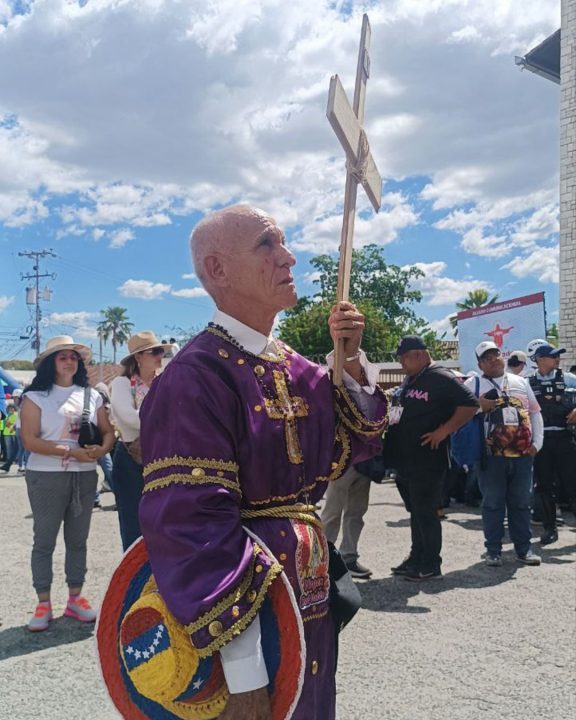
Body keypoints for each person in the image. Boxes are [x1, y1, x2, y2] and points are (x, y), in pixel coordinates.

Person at [138, 204, 388, 720]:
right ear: (218, 270)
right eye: (267, 244)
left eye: (285, 243)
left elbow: (352, 447)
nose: (289, 257)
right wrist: (244, 673)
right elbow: (193, 528)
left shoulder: (299, 369)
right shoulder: (195, 374)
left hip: (307, 589)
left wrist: (350, 358)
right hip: (246, 608)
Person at [19, 336, 115, 631]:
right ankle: (43, 601)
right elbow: (30, 440)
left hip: (84, 474)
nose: (69, 361)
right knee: (44, 540)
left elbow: (107, 432)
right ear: (52, 362)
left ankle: (75, 597)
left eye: (74, 357)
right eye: (63, 357)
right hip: (46, 474)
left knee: (78, 540)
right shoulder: (35, 397)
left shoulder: (92, 395)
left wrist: (102, 450)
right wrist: (68, 451)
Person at [391, 336, 479, 581]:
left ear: (418, 355)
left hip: (428, 460)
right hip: (408, 458)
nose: (401, 364)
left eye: (403, 358)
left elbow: (470, 405)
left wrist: (444, 431)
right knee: (416, 511)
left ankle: (431, 563)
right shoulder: (413, 378)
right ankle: (416, 556)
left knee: (426, 511)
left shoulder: (441, 377)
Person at [465, 341, 544, 566]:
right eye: (486, 357)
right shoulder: (473, 384)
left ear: (502, 356)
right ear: (480, 364)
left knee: (521, 502)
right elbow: (460, 413)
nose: (493, 359)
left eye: (495, 354)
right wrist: (480, 407)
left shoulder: (520, 382)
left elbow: (535, 413)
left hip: (522, 454)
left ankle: (524, 550)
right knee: (492, 503)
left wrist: (537, 443)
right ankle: (493, 551)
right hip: (491, 456)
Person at [110, 331, 172, 551]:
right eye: (154, 351)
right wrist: (166, 421)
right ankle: (135, 579)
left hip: (163, 455)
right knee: (132, 523)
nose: (160, 355)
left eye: (162, 351)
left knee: (166, 520)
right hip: (131, 459)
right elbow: (128, 417)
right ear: (138, 357)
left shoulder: (165, 381)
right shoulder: (121, 383)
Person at [528, 343, 576, 545]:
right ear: (539, 360)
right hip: (541, 443)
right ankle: (549, 528)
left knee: (572, 483)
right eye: (553, 356)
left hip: (566, 439)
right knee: (544, 486)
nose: (557, 359)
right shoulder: (527, 383)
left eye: (558, 356)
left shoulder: (570, 379)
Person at [321, 464, 374, 578]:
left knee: (356, 513)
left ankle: (348, 557)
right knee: (332, 513)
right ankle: (322, 559)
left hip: (363, 463)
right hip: (340, 463)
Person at [0, 403, 18, 472]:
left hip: (13, 433)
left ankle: (14, 459)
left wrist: (9, 425)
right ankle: (9, 459)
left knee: (14, 447)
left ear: (14, 408)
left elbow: (13, 424)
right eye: (9, 408)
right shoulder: (8, 415)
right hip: (7, 433)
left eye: (12, 408)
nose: (11, 409)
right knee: (8, 447)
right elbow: (6, 423)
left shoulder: (15, 415)